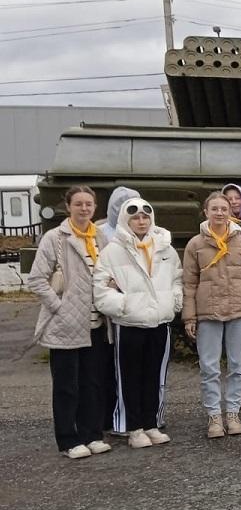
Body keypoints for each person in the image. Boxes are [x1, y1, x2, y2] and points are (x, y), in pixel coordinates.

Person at [27, 186, 112, 459]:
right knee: (66, 385)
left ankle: (92, 433)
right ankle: (68, 439)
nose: (84, 209)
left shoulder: (99, 237)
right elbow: (37, 279)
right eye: (79, 204)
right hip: (65, 325)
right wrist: (58, 307)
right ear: (68, 206)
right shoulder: (56, 238)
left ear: (95, 207)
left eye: (89, 204)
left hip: (95, 324)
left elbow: (110, 272)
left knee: (92, 382)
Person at [93, 198, 181, 449]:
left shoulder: (165, 248)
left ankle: (151, 423)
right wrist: (125, 306)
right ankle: (133, 427)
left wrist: (174, 302)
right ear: (125, 220)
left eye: (145, 216)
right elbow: (101, 288)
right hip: (130, 324)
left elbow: (177, 279)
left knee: (155, 376)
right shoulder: (112, 251)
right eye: (135, 217)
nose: (141, 221)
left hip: (159, 322)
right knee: (129, 378)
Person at [182, 192, 241, 438]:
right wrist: (189, 316)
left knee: (238, 366)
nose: (219, 213)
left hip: (239, 310)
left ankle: (232, 412)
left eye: (224, 209)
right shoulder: (195, 244)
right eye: (214, 209)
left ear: (230, 212)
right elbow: (188, 283)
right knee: (209, 367)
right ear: (206, 212)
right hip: (207, 312)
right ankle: (214, 416)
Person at [96, 185, 140, 434]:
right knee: (106, 367)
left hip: (135, 308)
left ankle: (132, 416)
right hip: (109, 308)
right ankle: (109, 416)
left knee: (130, 367)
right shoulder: (102, 233)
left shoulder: (145, 232)